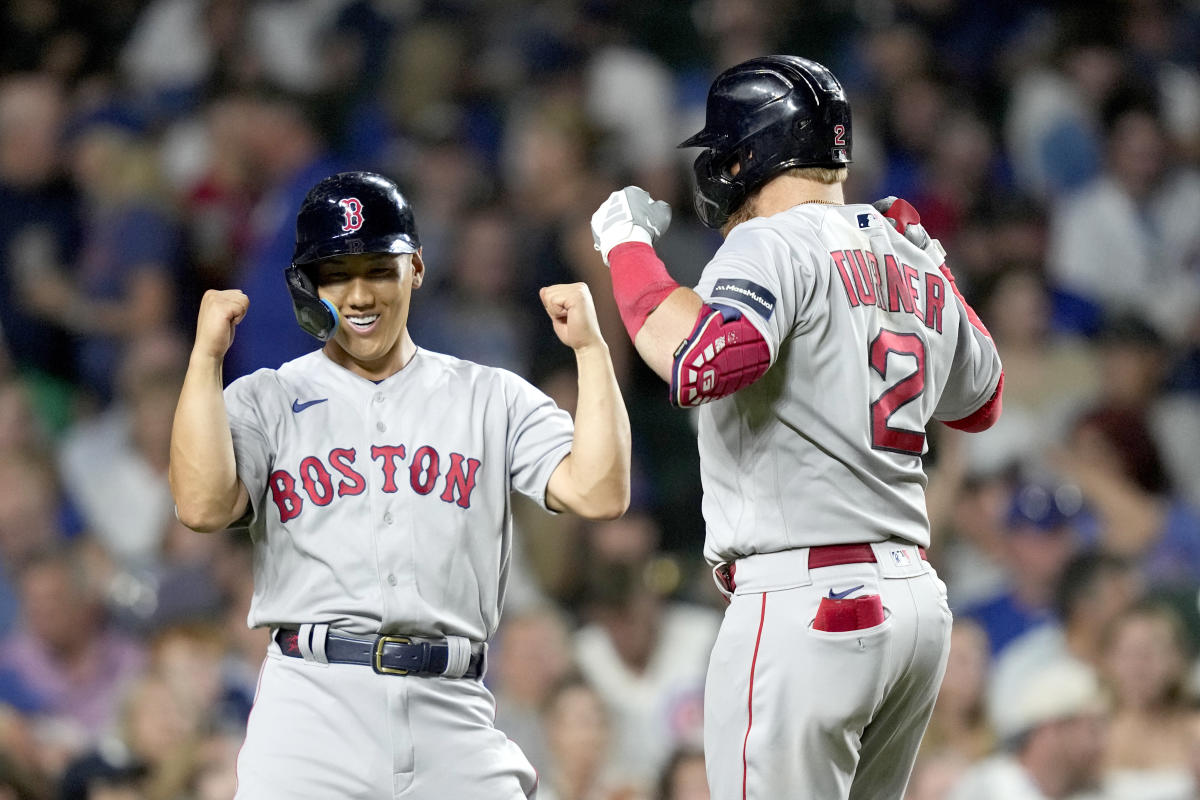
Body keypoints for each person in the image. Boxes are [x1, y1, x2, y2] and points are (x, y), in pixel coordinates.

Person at [589, 55, 1004, 799]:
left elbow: (703, 362)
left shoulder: (768, 241)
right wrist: (934, 273)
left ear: (746, 155)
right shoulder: (907, 249)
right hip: (914, 608)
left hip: (809, 603)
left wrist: (624, 249)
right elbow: (981, 400)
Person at [168, 170, 631, 799]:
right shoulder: (268, 398)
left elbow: (599, 492)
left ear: (414, 268)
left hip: (453, 704)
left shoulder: (488, 395)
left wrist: (592, 350)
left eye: (378, 270)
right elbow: (201, 505)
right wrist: (204, 360)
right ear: (308, 285)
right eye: (337, 274)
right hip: (313, 708)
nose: (359, 296)